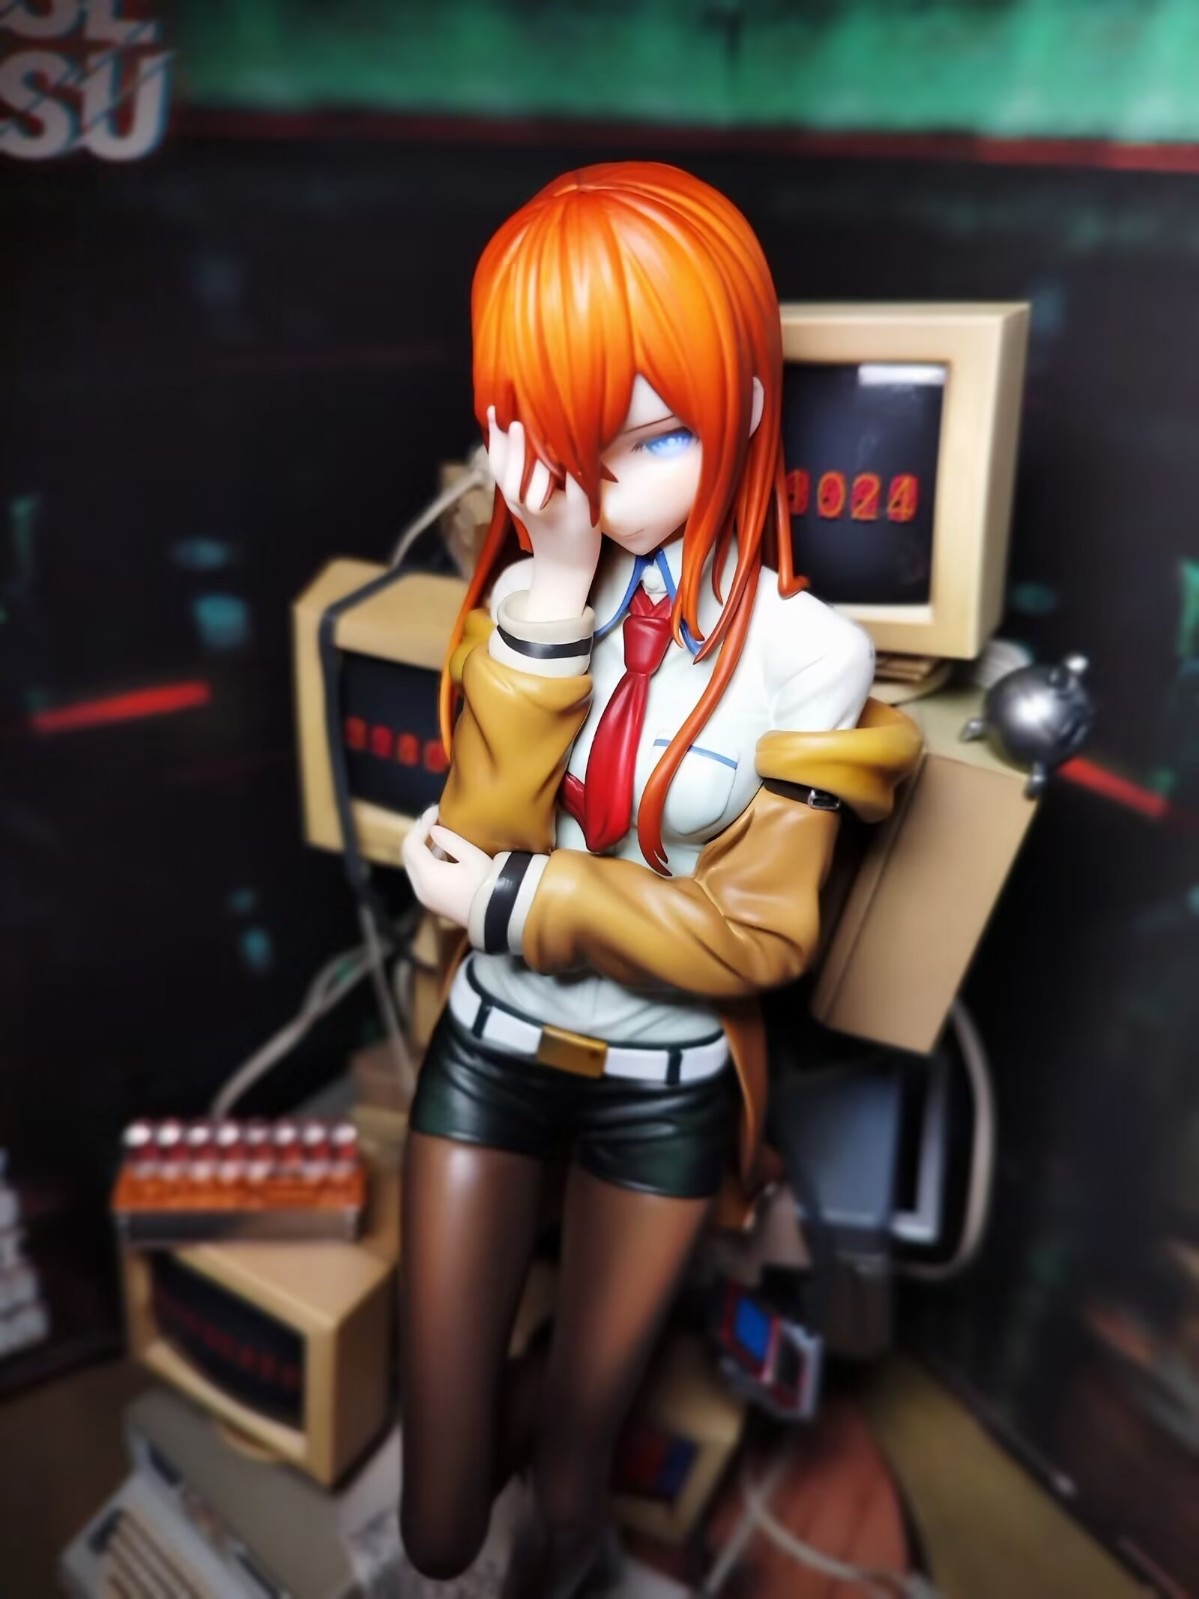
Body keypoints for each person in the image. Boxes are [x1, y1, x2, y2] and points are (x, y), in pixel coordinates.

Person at [399, 161, 920, 1597]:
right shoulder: (527, 596)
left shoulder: (809, 657)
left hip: (665, 1087)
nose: (603, 481)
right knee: (437, 1519)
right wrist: (555, 585)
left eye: (652, 435)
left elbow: (759, 936)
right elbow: (488, 822)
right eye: (565, 439)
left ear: (743, 403)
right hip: (492, 1046)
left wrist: (512, 904)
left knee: (577, 1475)